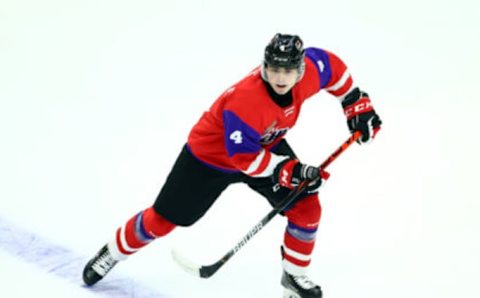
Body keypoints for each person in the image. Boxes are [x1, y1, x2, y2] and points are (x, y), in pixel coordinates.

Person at [82, 33, 382, 298]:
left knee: (306, 207)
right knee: (161, 221)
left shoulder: (311, 70)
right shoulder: (246, 100)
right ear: (264, 66)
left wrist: (355, 102)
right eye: (274, 69)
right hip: (210, 158)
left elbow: (332, 67)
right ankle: (113, 252)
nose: (280, 77)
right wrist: (288, 171)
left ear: (300, 69)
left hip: (263, 143)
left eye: (287, 70)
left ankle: (293, 278)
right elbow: (243, 159)